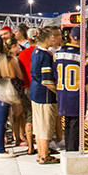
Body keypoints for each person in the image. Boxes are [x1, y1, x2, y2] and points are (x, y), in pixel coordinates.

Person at [54, 26, 88, 152]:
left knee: (67, 123)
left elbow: (55, 75)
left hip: (62, 95)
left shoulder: (58, 53)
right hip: (77, 96)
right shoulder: (85, 55)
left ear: (70, 36)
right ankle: (72, 152)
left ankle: (68, 150)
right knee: (75, 126)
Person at [30, 27, 59, 164]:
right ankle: (45, 156)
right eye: (52, 37)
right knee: (46, 126)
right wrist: (58, 92)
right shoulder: (46, 55)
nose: (54, 39)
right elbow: (47, 80)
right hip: (46, 95)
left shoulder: (35, 52)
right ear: (46, 39)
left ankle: (40, 153)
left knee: (38, 127)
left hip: (35, 92)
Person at [18, 28, 38, 155]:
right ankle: (42, 146)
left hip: (26, 89)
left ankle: (30, 147)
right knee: (40, 118)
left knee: (29, 117)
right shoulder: (43, 53)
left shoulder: (22, 54)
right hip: (39, 89)